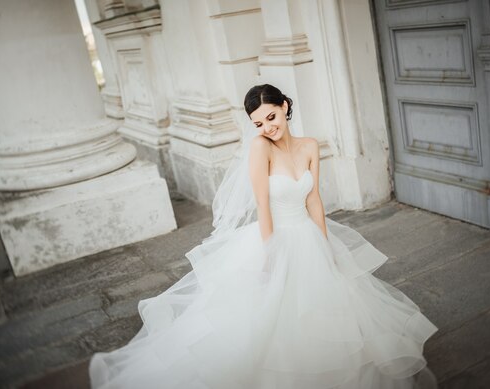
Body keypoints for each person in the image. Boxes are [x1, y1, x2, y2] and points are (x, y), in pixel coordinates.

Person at [89, 84, 438, 389]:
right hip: (275, 236)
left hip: (308, 235)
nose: (267, 128)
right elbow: (262, 204)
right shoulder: (260, 148)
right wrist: (270, 255)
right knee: (271, 321)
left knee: (328, 314)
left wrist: (325, 243)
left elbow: (314, 198)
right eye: (258, 123)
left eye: (271, 117)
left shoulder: (310, 146)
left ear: (284, 107)